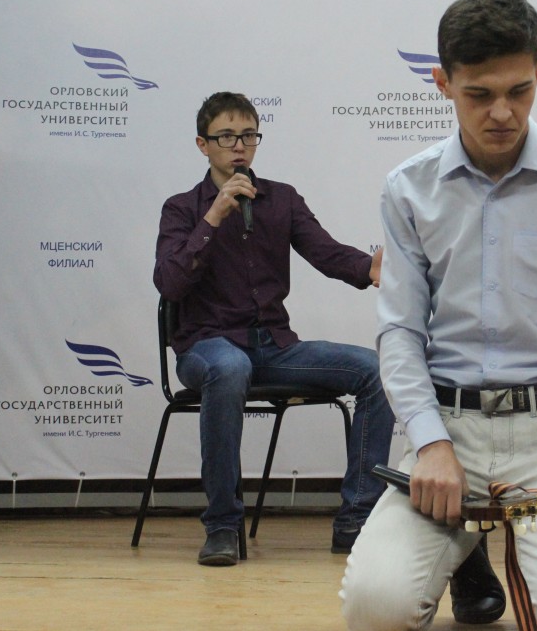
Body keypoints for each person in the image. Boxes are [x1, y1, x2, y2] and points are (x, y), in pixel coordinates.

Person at [340, 0, 537, 630]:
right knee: (375, 608)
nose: (502, 113)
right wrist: (429, 443)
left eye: (519, 90)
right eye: (479, 94)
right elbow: (400, 332)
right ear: (442, 84)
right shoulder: (409, 189)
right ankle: (487, 542)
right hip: (449, 432)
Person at [154, 91, 394, 565]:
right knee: (229, 367)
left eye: (248, 136)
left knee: (376, 370)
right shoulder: (182, 208)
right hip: (207, 347)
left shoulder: (281, 199)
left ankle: (357, 519)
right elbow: (171, 282)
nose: (239, 146)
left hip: (274, 347)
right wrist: (215, 214)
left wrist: (368, 267)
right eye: (227, 137)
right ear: (203, 145)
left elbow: (324, 251)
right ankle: (222, 525)